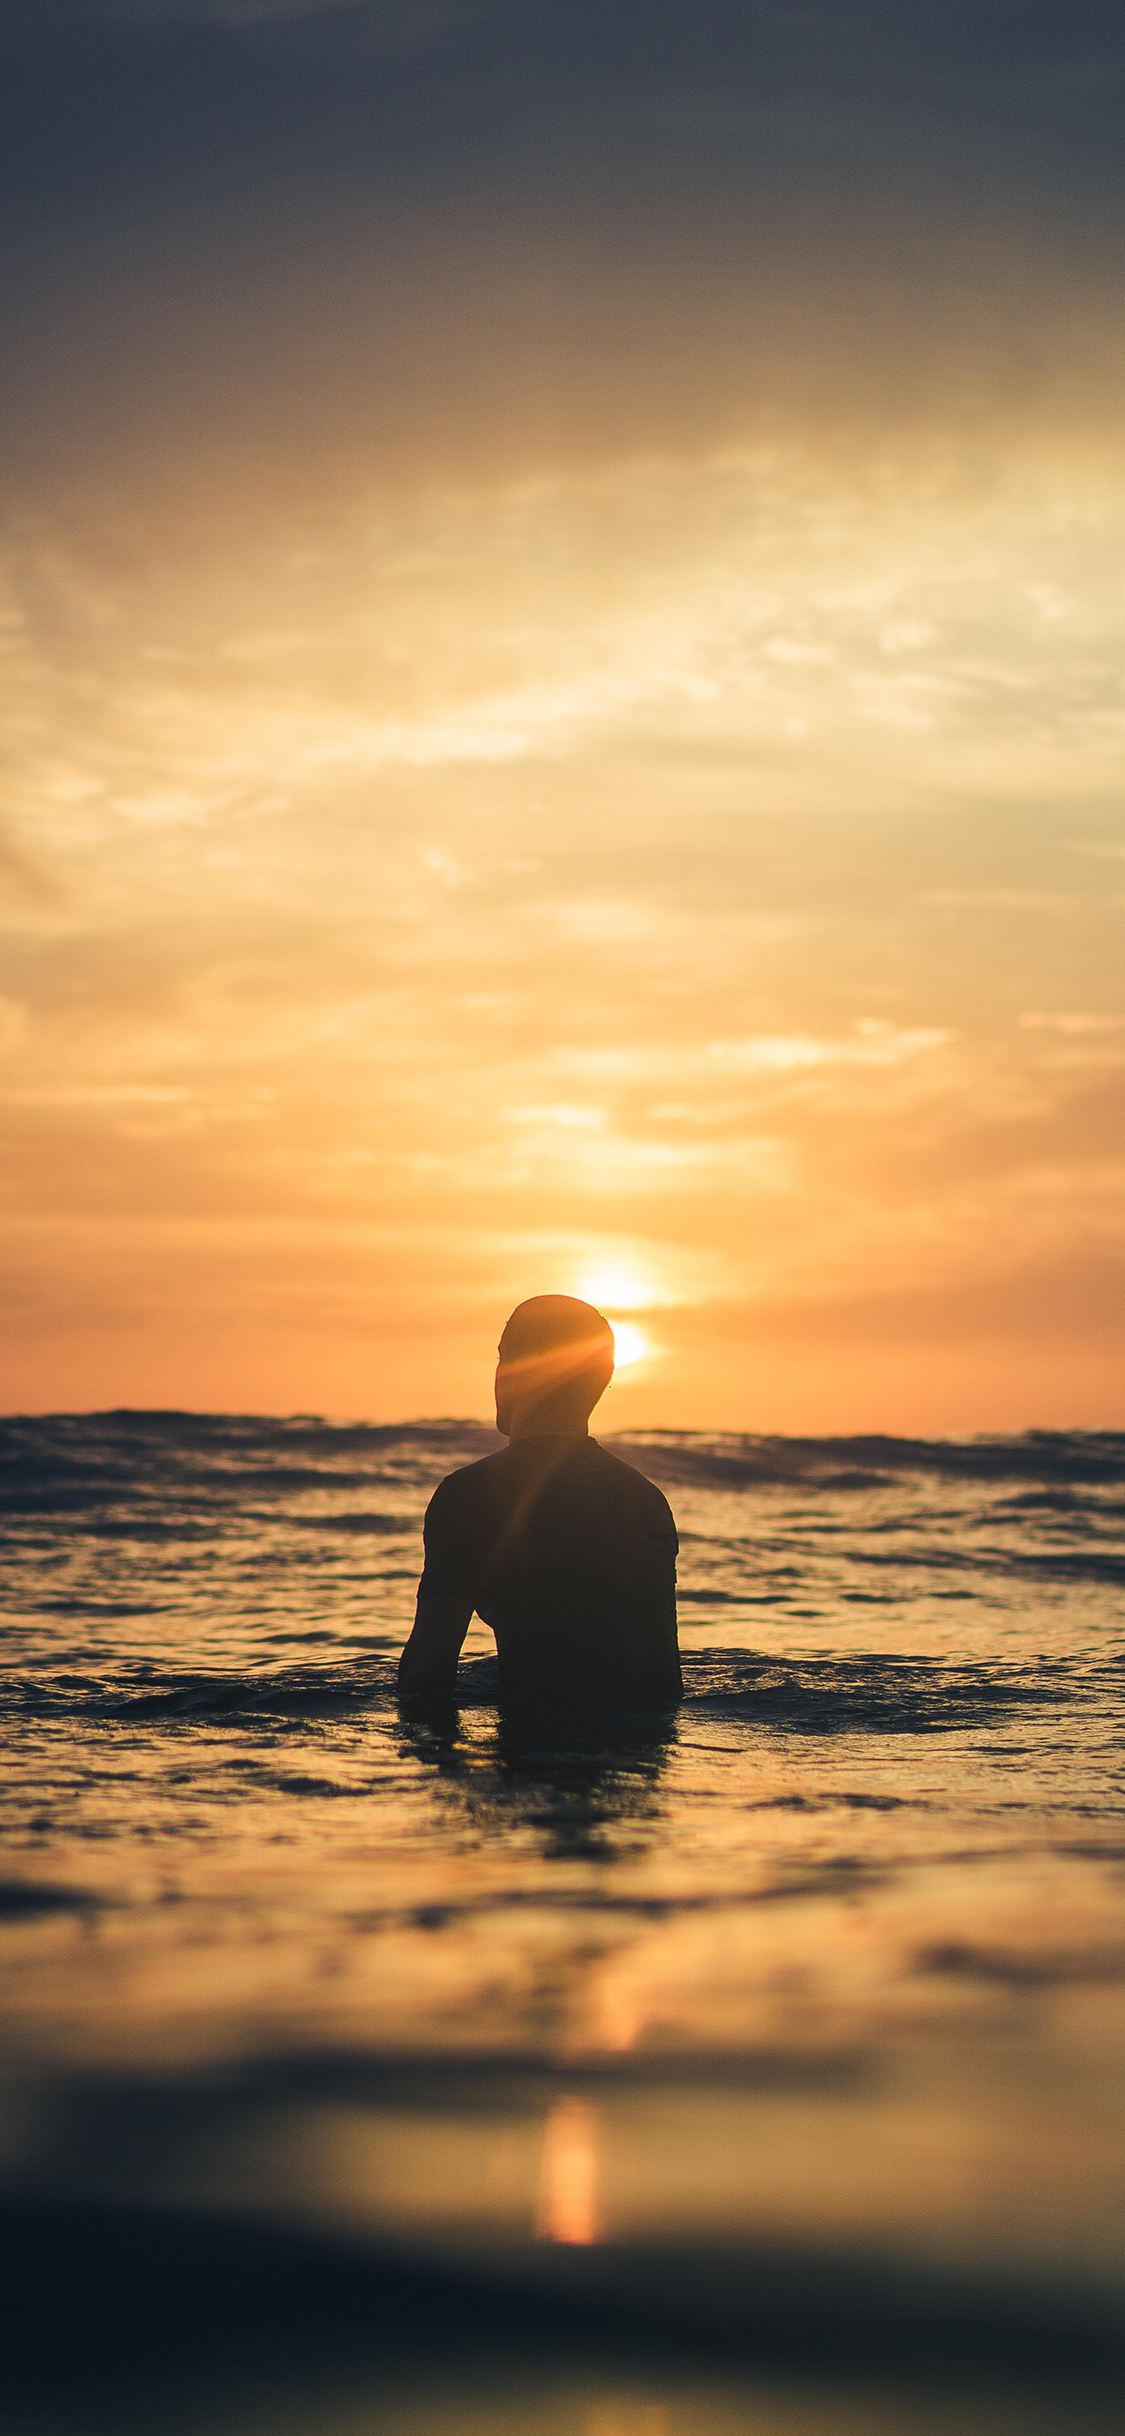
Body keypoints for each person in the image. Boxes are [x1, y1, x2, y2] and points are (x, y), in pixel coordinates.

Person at [397, 1295, 682, 1708]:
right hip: (644, 1756)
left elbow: (426, 1675)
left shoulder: (472, 1494)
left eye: (501, 1357)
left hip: (538, 1746)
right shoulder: (646, 1499)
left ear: (518, 1369)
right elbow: (660, 1680)